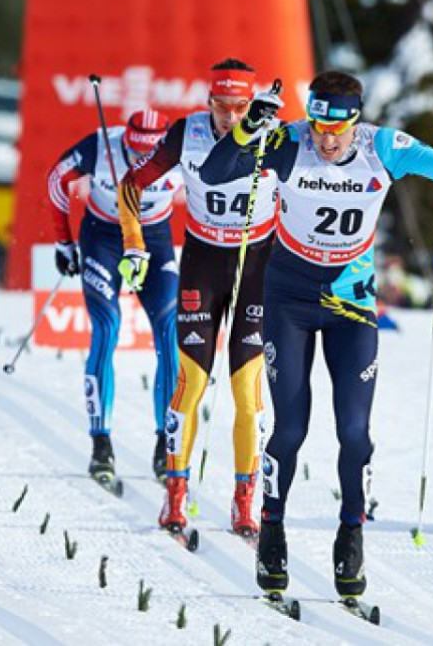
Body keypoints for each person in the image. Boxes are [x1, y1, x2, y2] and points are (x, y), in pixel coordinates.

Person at [199, 71, 433, 601]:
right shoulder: (289, 141)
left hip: (351, 302)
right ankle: (273, 529)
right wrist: (246, 132)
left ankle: (351, 533)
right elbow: (217, 174)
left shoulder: (383, 147)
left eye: (339, 129)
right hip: (289, 297)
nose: (327, 140)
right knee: (291, 427)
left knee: (354, 430)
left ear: (356, 120)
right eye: (320, 127)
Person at [117, 59, 279, 537]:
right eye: (222, 106)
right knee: (189, 382)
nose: (231, 117)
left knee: (247, 394)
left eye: (240, 106)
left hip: (256, 266)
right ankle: (175, 496)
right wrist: (133, 243)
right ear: (209, 102)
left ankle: (245, 501)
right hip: (204, 264)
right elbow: (132, 185)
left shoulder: (276, 134)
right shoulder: (186, 134)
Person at [47, 109, 183, 485]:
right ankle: (101, 444)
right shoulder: (102, 142)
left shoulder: (181, 147)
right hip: (104, 238)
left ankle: (164, 443)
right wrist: (63, 240)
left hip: (154, 240)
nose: (140, 163)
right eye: (133, 153)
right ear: (125, 139)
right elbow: (57, 178)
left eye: (148, 157)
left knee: (168, 332)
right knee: (107, 328)